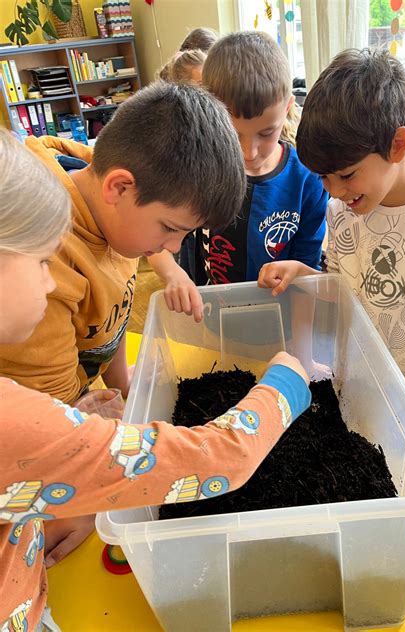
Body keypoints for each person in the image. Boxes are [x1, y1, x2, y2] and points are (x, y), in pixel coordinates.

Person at [0, 128, 311, 632]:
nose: (50, 279)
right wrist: (286, 387)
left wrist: (71, 430)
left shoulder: (61, 165)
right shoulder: (10, 423)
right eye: (39, 262)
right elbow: (218, 462)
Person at [258, 48, 405, 442]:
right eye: (324, 178)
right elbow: (344, 288)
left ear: (398, 144)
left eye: (346, 175)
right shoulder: (342, 210)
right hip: (364, 380)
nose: (335, 192)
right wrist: (303, 274)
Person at [0, 81, 245, 407]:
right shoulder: (39, 266)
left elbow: (112, 312)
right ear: (119, 188)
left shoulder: (114, 218)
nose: (173, 248)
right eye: (170, 228)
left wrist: (122, 383)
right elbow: (52, 414)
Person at [149, 31, 328, 323]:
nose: (249, 152)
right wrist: (172, 274)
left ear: (287, 108)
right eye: (234, 134)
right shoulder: (198, 167)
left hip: (278, 324)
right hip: (209, 319)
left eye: (267, 132)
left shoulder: (306, 180)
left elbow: (305, 276)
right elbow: (154, 240)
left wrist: (302, 355)